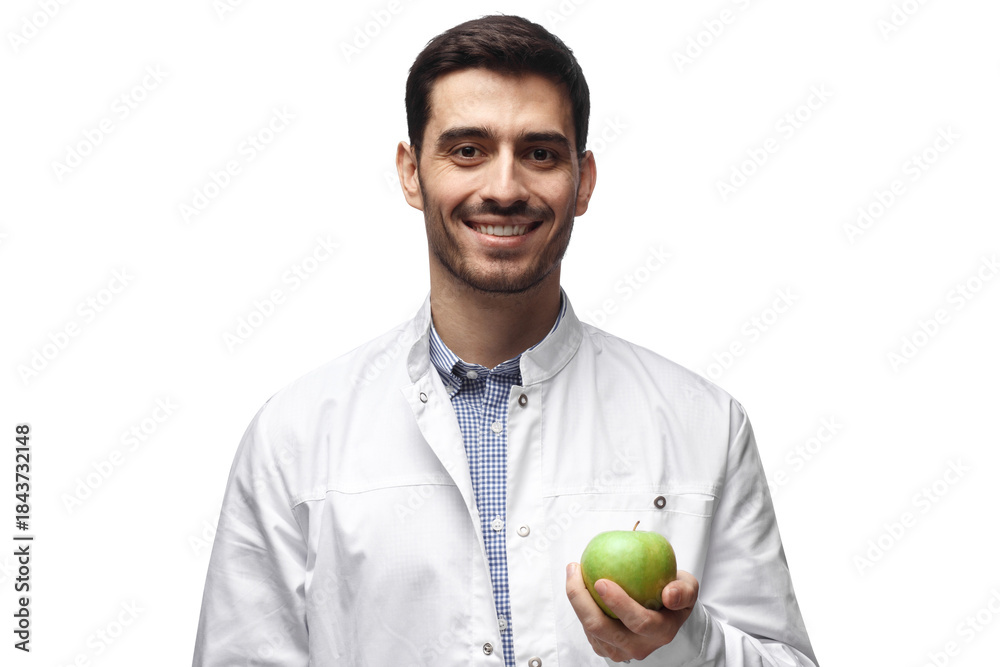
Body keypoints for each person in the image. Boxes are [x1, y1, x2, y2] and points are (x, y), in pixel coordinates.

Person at [192, 14, 818, 666]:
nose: (504, 187)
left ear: (584, 180)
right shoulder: (294, 436)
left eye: (541, 153)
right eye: (468, 150)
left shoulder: (704, 424)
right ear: (411, 173)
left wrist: (681, 643)